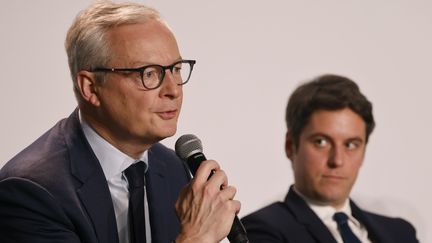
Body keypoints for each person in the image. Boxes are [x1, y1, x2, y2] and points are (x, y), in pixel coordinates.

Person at [0, 2, 240, 243]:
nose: (173, 90)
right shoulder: (29, 193)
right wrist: (196, 238)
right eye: (149, 73)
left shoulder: (173, 169)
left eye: (175, 69)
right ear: (91, 87)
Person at [242, 74, 419, 243]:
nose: (337, 160)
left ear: (364, 152)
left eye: (351, 145)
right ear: (290, 146)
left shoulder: (401, 232)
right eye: (321, 142)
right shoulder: (261, 229)